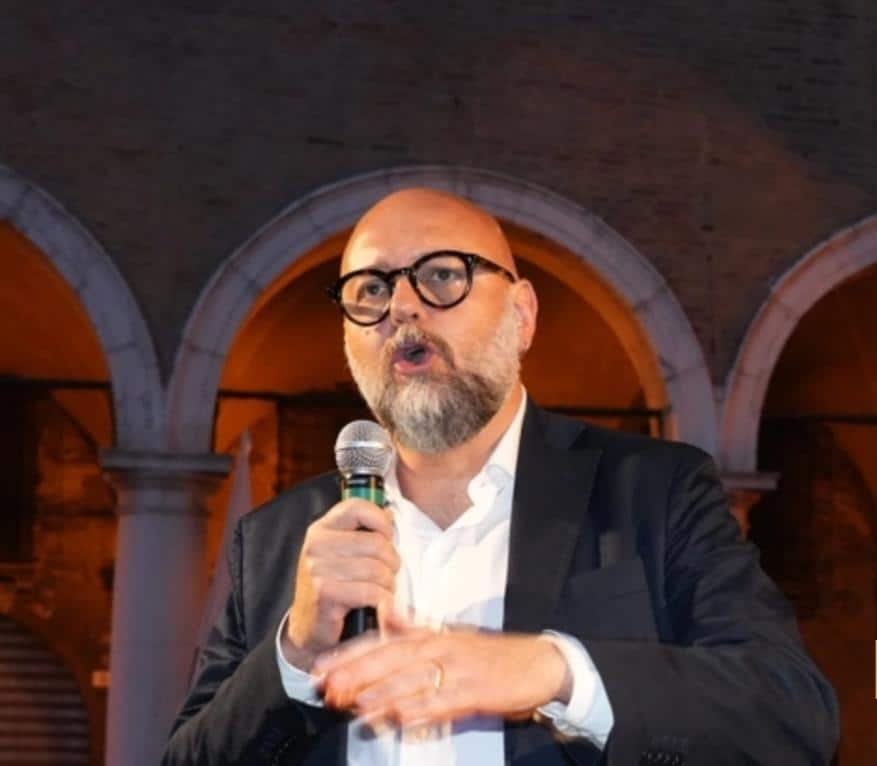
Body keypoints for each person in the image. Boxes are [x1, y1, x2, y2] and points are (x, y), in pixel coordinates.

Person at [163, 188, 840, 765]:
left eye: (441, 275)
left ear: (521, 315)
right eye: (370, 289)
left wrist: (552, 671)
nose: (401, 308)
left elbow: (791, 716)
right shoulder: (277, 540)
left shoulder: (652, 491)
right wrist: (295, 654)